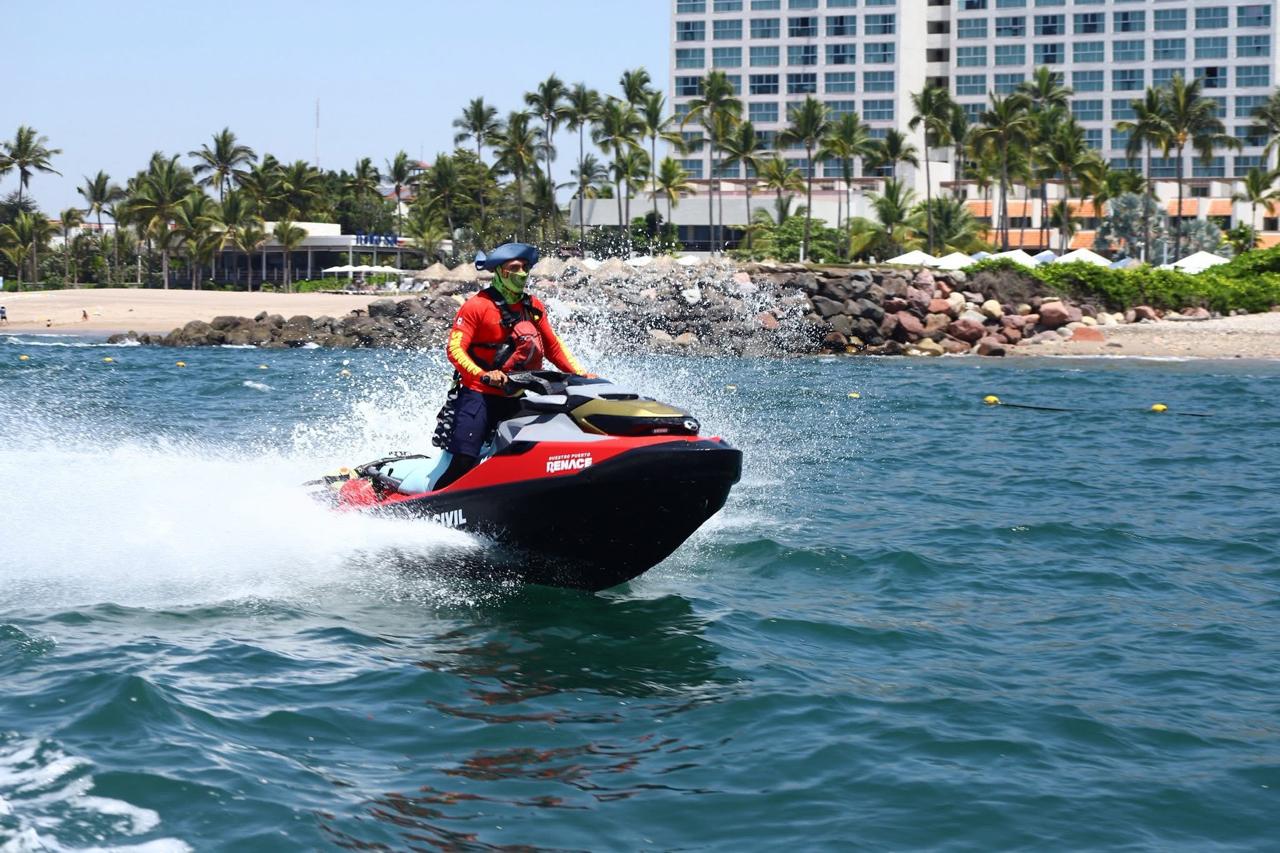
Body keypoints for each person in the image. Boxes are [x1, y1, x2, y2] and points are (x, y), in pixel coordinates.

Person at [431, 242, 589, 490]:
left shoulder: (533, 307)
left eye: (526, 267)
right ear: (500, 271)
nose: (522, 273)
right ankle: (429, 508)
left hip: (516, 395)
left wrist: (581, 374)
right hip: (478, 395)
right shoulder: (477, 306)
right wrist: (484, 375)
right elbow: (454, 349)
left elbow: (553, 348)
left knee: (533, 450)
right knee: (464, 459)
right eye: (515, 267)